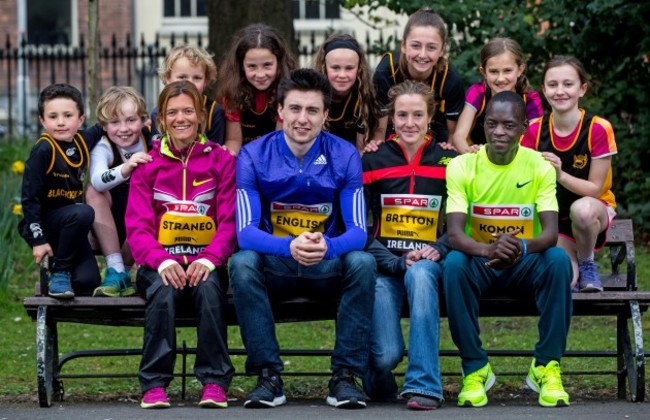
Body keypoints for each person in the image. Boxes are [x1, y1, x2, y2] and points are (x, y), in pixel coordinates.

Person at [229, 68, 376, 409]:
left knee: (363, 262)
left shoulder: (345, 155)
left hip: (327, 266)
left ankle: (344, 377)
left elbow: (358, 231)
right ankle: (268, 376)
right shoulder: (253, 155)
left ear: (326, 115)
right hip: (276, 266)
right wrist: (288, 246)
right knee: (241, 262)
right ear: (280, 110)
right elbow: (246, 231)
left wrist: (329, 246)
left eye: (312, 110)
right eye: (294, 109)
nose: (302, 119)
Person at [443, 91, 572, 408]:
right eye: (492, 124)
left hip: (524, 262)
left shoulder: (539, 167)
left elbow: (552, 234)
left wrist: (519, 246)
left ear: (523, 128)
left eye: (509, 125)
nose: (499, 132)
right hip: (482, 263)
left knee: (557, 261)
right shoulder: (461, 166)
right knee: (453, 264)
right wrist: (490, 251)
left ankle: (546, 366)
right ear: (483, 125)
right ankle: (475, 368)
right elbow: (456, 235)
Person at [125, 81, 237, 409]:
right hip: (158, 265)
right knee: (162, 291)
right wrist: (161, 261)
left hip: (206, 262)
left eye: (188, 111)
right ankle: (154, 384)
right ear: (161, 120)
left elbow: (229, 222)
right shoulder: (147, 166)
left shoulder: (221, 161)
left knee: (209, 290)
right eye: (172, 112)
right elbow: (138, 226)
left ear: (201, 116)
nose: (181, 118)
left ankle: (215, 381)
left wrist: (210, 259)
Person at [362, 80, 456, 410]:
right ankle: (375, 377)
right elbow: (361, 227)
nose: (409, 123)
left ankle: (424, 384)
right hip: (386, 266)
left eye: (418, 115)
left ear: (431, 117)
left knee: (420, 274)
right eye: (402, 115)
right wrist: (394, 261)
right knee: (386, 355)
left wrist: (440, 248)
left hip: (429, 265)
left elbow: (463, 219)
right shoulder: (372, 159)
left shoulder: (450, 160)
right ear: (391, 117)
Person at [521, 56, 617, 292]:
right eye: (552, 85)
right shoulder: (534, 131)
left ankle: (587, 264)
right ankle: (575, 271)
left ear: (582, 89)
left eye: (568, 84)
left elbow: (595, 189)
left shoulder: (598, 128)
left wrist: (560, 175)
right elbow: (523, 181)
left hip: (593, 209)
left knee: (582, 210)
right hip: (554, 217)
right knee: (564, 278)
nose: (560, 91)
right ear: (543, 90)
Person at [18, 83, 100, 298]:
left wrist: (146, 126)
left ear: (80, 119)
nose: (61, 122)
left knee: (88, 281)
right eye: (53, 116)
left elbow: (106, 125)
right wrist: (38, 240)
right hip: (45, 224)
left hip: (70, 227)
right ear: (42, 121)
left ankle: (60, 264)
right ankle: (60, 272)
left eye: (68, 115)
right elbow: (29, 199)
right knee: (84, 211)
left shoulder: (82, 140)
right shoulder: (43, 150)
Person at [88, 86, 153, 297]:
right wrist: (126, 168)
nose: (123, 128)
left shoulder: (152, 139)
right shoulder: (104, 146)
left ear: (144, 120)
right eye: (115, 122)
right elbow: (97, 180)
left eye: (131, 120)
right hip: (108, 226)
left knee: (154, 196)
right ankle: (115, 268)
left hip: (141, 225)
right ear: (104, 126)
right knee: (93, 192)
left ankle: (122, 273)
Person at [373, 7, 465, 143]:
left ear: (442, 50)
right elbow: (379, 132)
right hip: (395, 126)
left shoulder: (450, 77)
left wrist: (447, 154)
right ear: (403, 45)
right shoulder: (387, 71)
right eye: (416, 46)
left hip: (435, 127)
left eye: (431, 47)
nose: (422, 55)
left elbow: (453, 134)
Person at [451, 37, 543, 154]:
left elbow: (536, 138)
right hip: (478, 158)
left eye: (507, 71)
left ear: (520, 69)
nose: (500, 78)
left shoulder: (530, 98)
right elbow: (459, 136)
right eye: (494, 71)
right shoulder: (478, 93)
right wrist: (470, 155)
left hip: (516, 159)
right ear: (484, 72)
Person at [218, 23, 296, 155]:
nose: (260, 74)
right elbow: (233, 141)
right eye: (252, 66)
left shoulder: (290, 91)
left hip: (278, 155)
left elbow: (279, 141)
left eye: (267, 65)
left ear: (279, 62)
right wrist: (227, 155)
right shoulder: (232, 92)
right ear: (241, 66)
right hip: (245, 159)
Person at [313, 33, 384, 151]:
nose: (342, 75)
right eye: (335, 68)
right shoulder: (311, 96)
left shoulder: (367, 96)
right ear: (324, 67)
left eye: (349, 68)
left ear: (359, 68)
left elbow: (376, 138)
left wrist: (373, 145)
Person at [151, 45, 225, 144]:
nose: (190, 83)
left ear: (206, 81)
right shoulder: (158, 112)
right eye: (182, 77)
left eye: (197, 78)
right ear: (167, 78)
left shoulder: (214, 112)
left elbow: (216, 153)